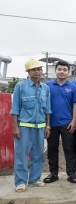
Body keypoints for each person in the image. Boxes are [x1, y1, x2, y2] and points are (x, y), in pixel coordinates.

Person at [10, 59, 52, 192]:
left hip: (40, 127)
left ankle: (34, 180)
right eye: (34, 69)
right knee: (21, 155)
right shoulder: (20, 86)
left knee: (39, 154)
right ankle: (21, 182)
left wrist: (48, 126)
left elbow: (48, 110)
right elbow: (15, 109)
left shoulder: (45, 88)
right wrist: (15, 127)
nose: (37, 72)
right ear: (28, 71)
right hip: (24, 127)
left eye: (39, 69)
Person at [45, 60, 76, 184]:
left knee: (69, 148)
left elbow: (75, 104)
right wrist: (47, 125)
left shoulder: (73, 87)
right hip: (51, 123)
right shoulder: (47, 86)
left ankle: (71, 173)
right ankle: (53, 173)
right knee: (52, 148)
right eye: (59, 69)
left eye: (65, 70)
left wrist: (74, 120)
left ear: (68, 72)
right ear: (55, 71)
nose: (62, 72)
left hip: (67, 123)